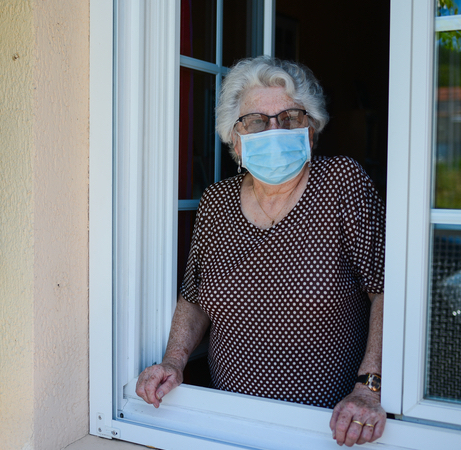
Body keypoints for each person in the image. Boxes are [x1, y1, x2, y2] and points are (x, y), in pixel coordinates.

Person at [135, 56, 387, 447]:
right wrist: (173, 361)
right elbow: (196, 297)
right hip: (227, 421)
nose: (273, 130)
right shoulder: (217, 202)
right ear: (235, 139)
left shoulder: (341, 183)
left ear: (312, 129)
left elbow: (385, 287)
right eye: (256, 121)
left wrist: (369, 388)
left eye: (288, 118)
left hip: (326, 427)